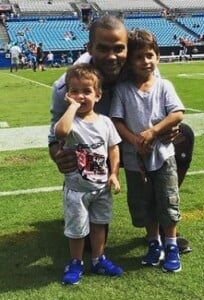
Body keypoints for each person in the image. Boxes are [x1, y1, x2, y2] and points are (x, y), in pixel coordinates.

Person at [48, 15, 194, 253]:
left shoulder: (142, 67)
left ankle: (162, 217)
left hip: (138, 144)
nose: (112, 56)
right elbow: (55, 127)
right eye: (103, 49)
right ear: (90, 48)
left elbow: (161, 109)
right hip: (95, 151)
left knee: (183, 136)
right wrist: (56, 151)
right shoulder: (67, 85)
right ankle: (82, 211)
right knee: (88, 241)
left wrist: (167, 129)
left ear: (127, 47)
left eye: (119, 49)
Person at [110, 29, 184, 272]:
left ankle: (171, 244)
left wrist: (153, 132)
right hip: (134, 161)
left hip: (164, 157)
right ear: (129, 63)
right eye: (139, 57)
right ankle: (153, 242)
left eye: (150, 55)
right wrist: (133, 140)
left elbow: (177, 113)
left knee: (168, 199)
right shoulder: (123, 90)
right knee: (144, 202)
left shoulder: (164, 86)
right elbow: (117, 121)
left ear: (158, 57)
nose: (146, 61)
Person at [54, 63, 123, 285]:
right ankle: (75, 262)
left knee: (99, 224)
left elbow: (113, 148)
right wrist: (72, 107)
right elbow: (61, 132)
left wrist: (114, 174)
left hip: (101, 188)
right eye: (74, 91)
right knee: (76, 229)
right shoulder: (70, 121)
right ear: (67, 95)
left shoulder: (105, 122)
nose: (80, 96)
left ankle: (98, 258)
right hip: (77, 189)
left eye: (86, 91)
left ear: (98, 95)